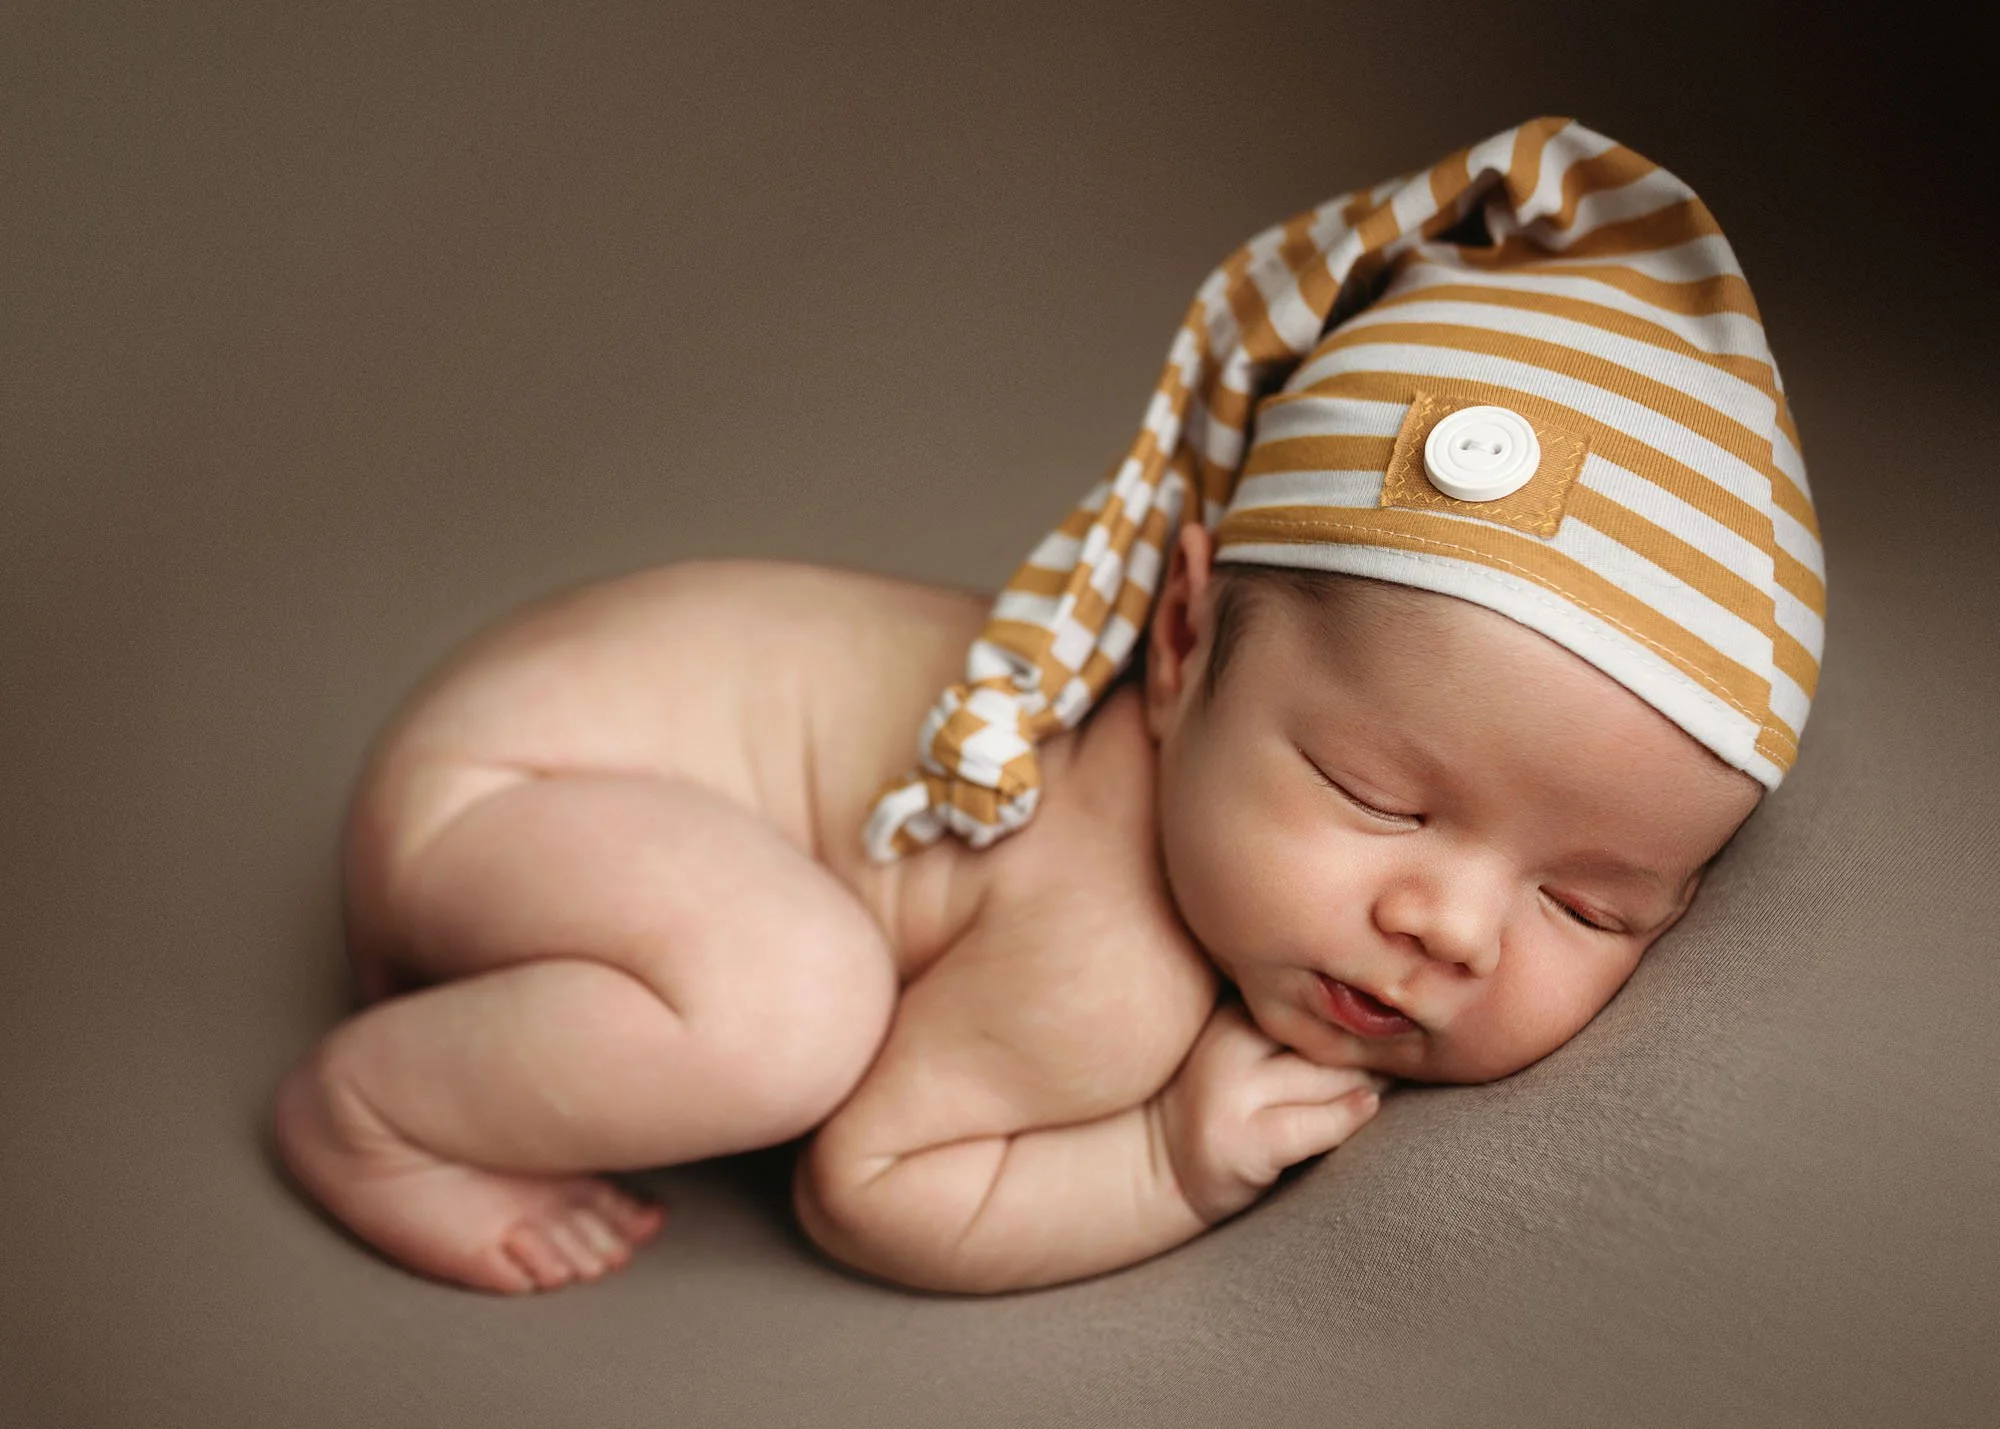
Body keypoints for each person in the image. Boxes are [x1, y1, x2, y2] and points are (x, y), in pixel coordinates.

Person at [272, 116, 1825, 1296]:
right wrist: (1163, 1161)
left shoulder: (1239, 825)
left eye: (1589, 905)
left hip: (558, 761)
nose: (1452, 928)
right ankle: (376, 1115)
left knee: (779, 957)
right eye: (1378, 797)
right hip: (504, 796)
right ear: (1180, 637)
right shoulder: (1114, 962)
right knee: (789, 1006)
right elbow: (872, 1186)